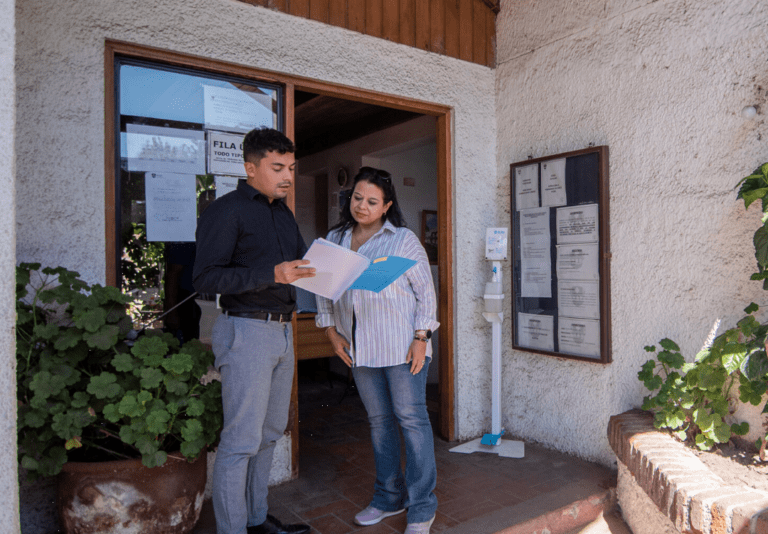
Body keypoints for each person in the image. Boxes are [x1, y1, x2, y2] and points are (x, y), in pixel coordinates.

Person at [193, 127, 315, 534]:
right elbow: (205, 278)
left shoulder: (283, 213)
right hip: (246, 330)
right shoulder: (226, 211)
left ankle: (257, 519)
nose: (287, 176)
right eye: (277, 167)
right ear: (250, 167)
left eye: (291, 168)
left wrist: (335, 269)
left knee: (269, 433)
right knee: (241, 440)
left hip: (282, 332)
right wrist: (271, 274)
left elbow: (299, 264)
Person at [315, 167, 440, 534]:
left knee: (412, 421)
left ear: (386, 206)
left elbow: (426, 294)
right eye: (357, 198)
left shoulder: (402, 240)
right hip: (360, 348)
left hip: (403, 347)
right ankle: (388, 498)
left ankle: (422, 506)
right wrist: (331, 331)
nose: (362, 206)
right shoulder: (335, 240)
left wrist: (421, 338)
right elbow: (323, 290)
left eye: (372, 201)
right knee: (379, 423)